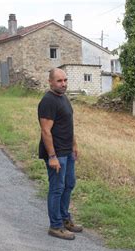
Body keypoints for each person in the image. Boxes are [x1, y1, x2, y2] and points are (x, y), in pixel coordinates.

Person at [38, 68, 83, 240]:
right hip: (56, 154)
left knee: (69, 184)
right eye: (59, 81)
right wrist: (52, 157)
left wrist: (74, 144)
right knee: (57, 188)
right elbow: (45, 131)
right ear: (50, 81)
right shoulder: (48, 101)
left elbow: (68, 124)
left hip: (67, 151)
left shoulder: (63, 98)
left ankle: (65, 219)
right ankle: (55, 226)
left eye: (65, 80)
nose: (63, 84)